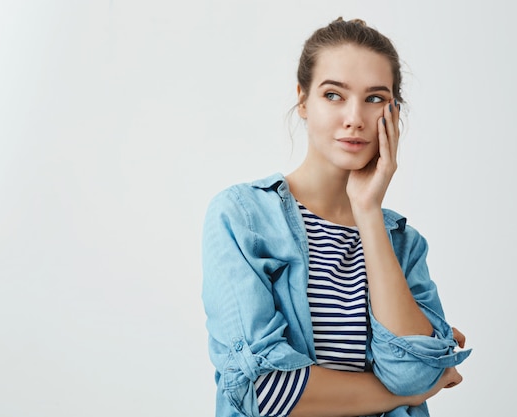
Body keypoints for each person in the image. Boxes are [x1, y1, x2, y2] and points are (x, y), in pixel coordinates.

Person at [201, 17, 471, 417]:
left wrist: (367, 211)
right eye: (333, 95)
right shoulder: (243, 218)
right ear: (303, 100)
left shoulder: (402, 243)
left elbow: (415, 374)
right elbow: (264, 391)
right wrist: (405, 393)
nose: (355, 118)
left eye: (375, 98)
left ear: (394, 113)